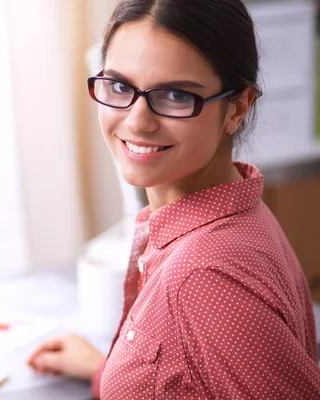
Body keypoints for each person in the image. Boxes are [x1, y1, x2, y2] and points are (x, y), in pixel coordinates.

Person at [27, 0, 320, 398]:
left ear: (238, 107)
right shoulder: (237, 211)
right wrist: (110, 372)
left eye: (176, 96)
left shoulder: (207, 277)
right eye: (119, 86)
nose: (137, 121)